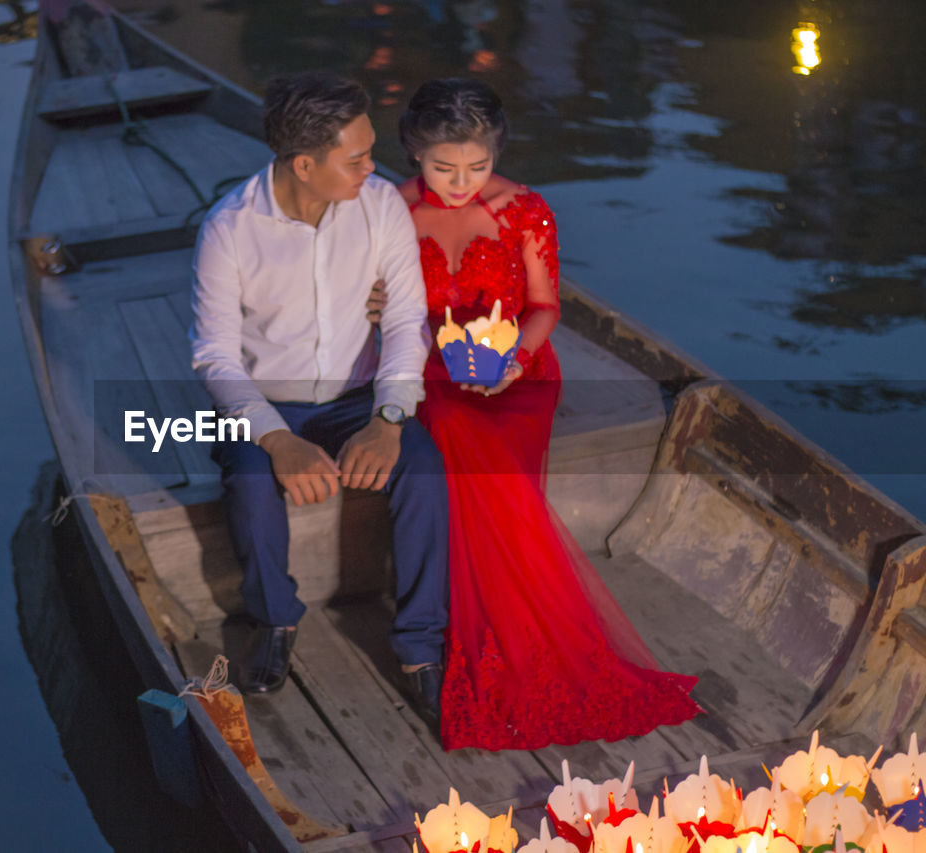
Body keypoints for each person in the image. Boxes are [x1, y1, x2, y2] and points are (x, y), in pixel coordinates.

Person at [369, 78, 701, 750]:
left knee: (477, 440)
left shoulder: (526, 210)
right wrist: (378, 309)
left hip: (517, 371)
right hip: (432, 361)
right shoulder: (388, 210)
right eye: (442, 167)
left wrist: (515, 360)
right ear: (411, 151)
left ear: (496, 155)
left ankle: (512, 625)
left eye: (477, 166)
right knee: (453, 427)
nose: (461, 182)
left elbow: (545, 307)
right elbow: (380, 303)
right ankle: (473, 620)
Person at [190, 72, 450, 721]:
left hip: (357, 396)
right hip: (266, 402)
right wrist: (277, 440)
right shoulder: (228, 229)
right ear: (305, 164)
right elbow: (215, 355)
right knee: (250, 479)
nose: (373, 167)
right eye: (356, 157)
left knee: (423, 465)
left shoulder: (381, 205)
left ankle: (421, 643)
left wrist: (389, 419)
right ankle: (275, 620)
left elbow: (405, 319)